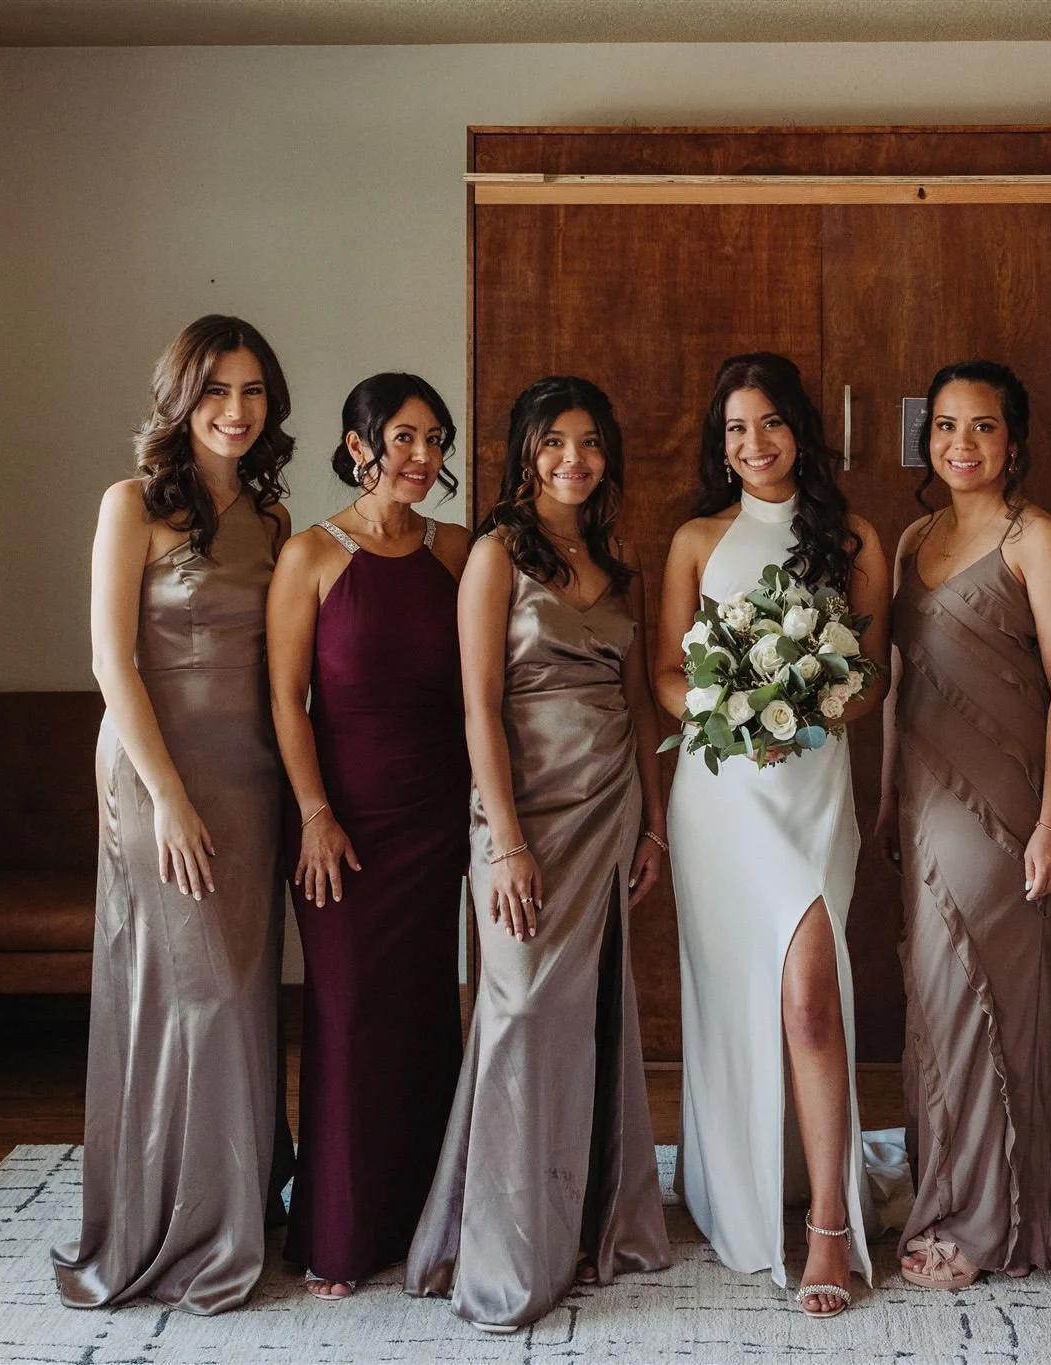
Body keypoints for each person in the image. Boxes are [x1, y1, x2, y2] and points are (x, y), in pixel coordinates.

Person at [407, 376, 672, 1331]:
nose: (575, 458)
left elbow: (641, 705)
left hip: (609, 807)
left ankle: (592, 1219)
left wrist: (653, 824)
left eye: (590, 441)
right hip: (522, 816)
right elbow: (479, 703)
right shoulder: (493, 555)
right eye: (555, 441)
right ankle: (507, 1252)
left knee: (587, 1015)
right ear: (524, 452)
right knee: (518, 1009)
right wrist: (506, 841)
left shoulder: (617, 560)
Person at [56, 315, 294, 1314]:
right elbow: (112, 662)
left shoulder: (277, 522)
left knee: (242, 996)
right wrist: (168, 799)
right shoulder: (130, 505)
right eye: (214, 393)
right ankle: (178, 1227)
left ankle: (239, 1207)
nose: (235, 412)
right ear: (181, 401)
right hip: (159, 774)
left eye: (251, 392)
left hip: (251, 776)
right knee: (185, 995)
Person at [656, 353, 890, 1319]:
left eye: (771, 423)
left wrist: (814, 694)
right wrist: (736, 713)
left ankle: (829, 1225)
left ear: (801, 428)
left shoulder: (854, 538)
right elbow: (668, 679)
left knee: (809, 997)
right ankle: (751, 1191)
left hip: (811, 794)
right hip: (721, 794)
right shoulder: (696, 538)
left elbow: (871, 676)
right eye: (735, 430)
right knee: (739, 997)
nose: (754, 445)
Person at [877, 361, 1051, 1288]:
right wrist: (887, 794)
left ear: (1015, 440)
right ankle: (949, 1192)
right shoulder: (911, 537)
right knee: (934, 1008)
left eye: (983, 427)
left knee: (987, 1006)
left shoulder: (1041, 542)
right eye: (947, 427)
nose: (961, 445)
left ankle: (996, 1222)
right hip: (922, 806)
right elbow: (898, 686)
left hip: (1006, 810)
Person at [264, 372, 472, 1298]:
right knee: (346, 1020)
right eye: (404, 439)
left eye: (435, 439)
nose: (423, 457)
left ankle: (430, 1216)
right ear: (358, 446)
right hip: (340, 823)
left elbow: (483, 695)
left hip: (437, 818)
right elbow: (285, 700)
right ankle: (341, 1232)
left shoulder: (461, 553)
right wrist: (313, 813)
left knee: (427, 1013)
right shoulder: (309, 555)